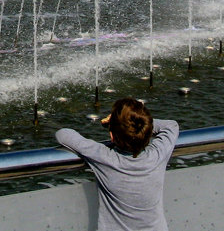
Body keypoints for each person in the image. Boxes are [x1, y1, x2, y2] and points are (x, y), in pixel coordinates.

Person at [55, 97, 179, 231]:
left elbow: (63, 135)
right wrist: (138, 122)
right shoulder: (156, 156)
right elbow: (171, 126)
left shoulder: (104, 157)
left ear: (112, 136)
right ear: (147, 130)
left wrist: (116, 123)